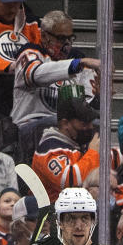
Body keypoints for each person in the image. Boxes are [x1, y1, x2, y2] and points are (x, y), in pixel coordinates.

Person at [12, 9, 101, 162]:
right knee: (57, 121)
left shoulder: (78, 59)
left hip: (66, 126)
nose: (67, 45)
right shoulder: (30, 52)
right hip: (29, 124)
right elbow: (34, 74)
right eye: (61, 38)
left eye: (70, 38)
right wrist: (77, 64)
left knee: (97, 124)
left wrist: (98, 98)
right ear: (44, 36)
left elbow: (86, 109)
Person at [32, 96, 100, 201]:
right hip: (51, 211)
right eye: (84, 124)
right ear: (65, 124)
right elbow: (69, 182)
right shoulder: (48, 150)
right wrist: (93, 153)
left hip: (77, 208)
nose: (90, 127)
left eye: (91, 122)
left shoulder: (79, 143)